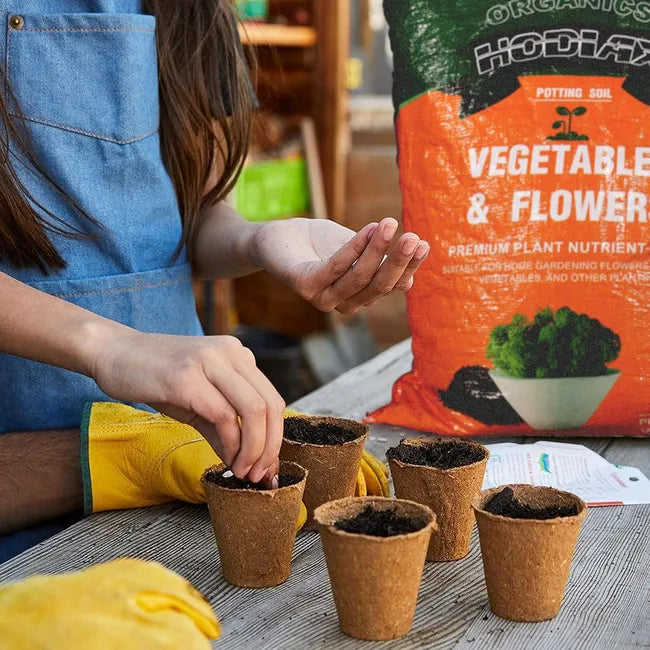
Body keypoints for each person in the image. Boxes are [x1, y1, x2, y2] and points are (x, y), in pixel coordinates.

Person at [0, 0, 429, 559]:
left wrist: (257, 241)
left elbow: (195, 211)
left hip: (185, 478)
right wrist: (110, 347)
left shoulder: (193, 11)